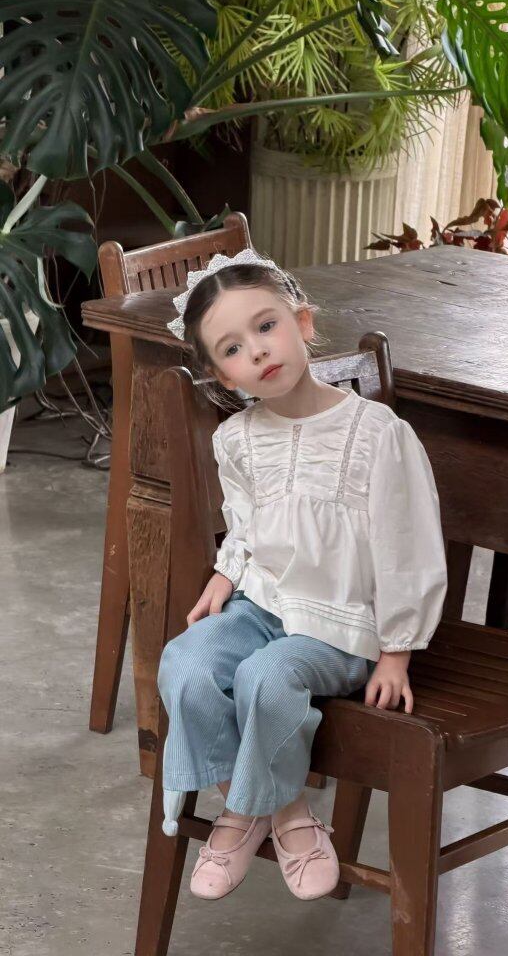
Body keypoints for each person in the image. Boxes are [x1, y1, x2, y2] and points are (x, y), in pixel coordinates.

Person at [158, 247, 448, 901]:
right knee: (185, 664)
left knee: (266, 677)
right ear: (222, 375)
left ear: (303, 323)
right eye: (233, 348)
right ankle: (270, 808)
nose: (258, 350)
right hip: (262, 606)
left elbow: (406, 546)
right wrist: (226, 573)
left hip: (340, 622)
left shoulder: (376, 433)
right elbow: (246, 524)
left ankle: (260, 817)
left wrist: (397, 650)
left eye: (266, 326)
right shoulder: (236, 440)